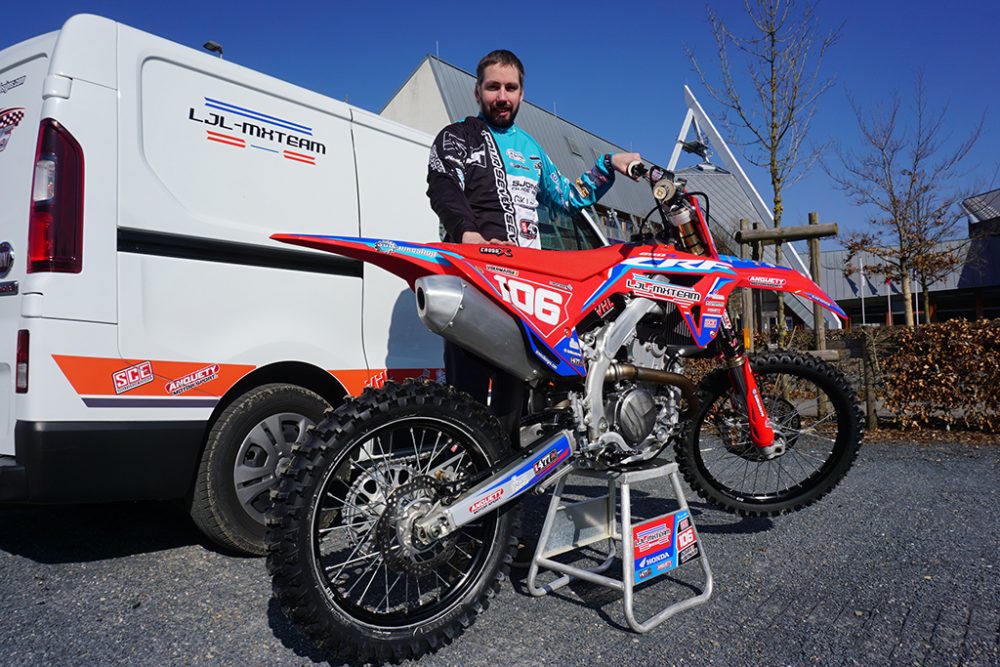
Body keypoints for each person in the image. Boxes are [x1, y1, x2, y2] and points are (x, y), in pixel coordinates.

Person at [426, 49, 640, 445]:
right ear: (477, 92)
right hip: (473, 281)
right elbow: (442, 187)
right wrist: (468, 234)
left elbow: (570, 197)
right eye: (493, 87)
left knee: (511, 409)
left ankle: (502, 500)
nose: (502, 96)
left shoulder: (532, 149)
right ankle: (460, 493)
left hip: (524, 293)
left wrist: (609, 163)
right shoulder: (457, 137)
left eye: (511, 87)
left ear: (522, 93)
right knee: (465, 406)